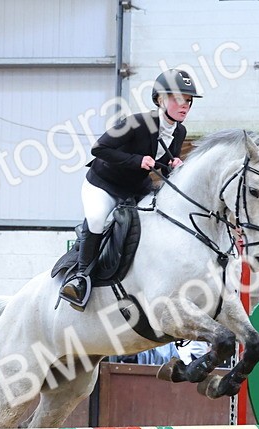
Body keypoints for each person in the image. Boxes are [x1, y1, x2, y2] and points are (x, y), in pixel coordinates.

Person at [59, 69, 201, 310]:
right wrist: (136, 160)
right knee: (96, 219)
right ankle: (80, 278)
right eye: (178, 99)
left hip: (135, 188)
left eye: (188, 101)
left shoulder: (179, 132)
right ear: (160, 99)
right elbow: (99, 148)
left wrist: (174, 166)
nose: (184, 105)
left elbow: (163, 165)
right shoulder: (136, 122)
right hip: (104, 184)